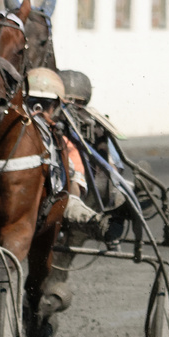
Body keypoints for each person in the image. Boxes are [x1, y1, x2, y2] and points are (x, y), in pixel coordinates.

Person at [22, 66, 105, 234]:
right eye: (33, 103)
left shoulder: (61, 140)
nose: (39, 110)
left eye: (46, 105)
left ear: (56, 105)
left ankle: (95, 220)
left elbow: (75, 176)